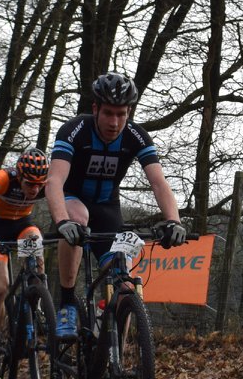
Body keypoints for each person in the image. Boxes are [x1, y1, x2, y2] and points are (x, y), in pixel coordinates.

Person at [45, 72, 188, 340]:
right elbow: (54, 180)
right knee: (79, 217)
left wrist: (174, 221)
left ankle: (113, 362)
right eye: (108, 113)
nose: (115, 122)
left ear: (129, 111)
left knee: (125, 288)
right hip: (72, 201)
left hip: (108, 209)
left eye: (121, 114)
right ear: (95, 109)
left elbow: (158, 182)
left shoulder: (136, 136)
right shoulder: (74, 130)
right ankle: (67, 302)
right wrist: (62, 221)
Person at [0, 147, 51, 363]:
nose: (34, 189)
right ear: (19, 176)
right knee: (0, 288)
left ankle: (38, 303)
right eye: (29, 183)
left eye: (39, 184)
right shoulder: (2, 178)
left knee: (35, 241)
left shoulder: (45, 184)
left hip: (23, 225)